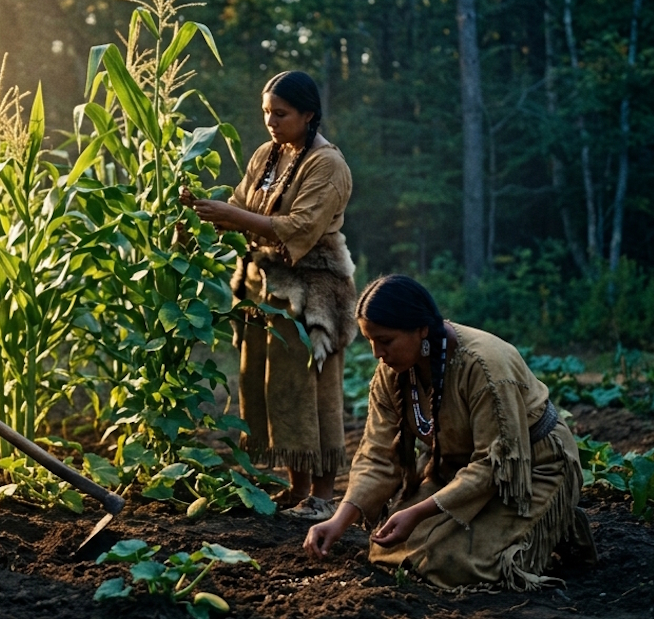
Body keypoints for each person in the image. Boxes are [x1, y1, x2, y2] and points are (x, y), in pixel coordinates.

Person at [304, 275, 597, 591]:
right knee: (390, 551)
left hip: (526, 470)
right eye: (370, 340)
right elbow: (377, 455)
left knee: (456, 565)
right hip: (454, 470)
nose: (377, 353)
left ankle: (557, 520)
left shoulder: (485, 365)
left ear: (421, 330)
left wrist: (417, 512)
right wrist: (339, 521)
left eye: (385, 341)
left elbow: (493, 464)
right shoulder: (393, 372)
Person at [181, 71, 357, 520]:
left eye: (281, 114)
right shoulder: (268, 155)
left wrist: (231, 215)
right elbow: (241, 206)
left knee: (313, 391)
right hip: (265, 287)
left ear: (308, 114)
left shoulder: (327, 165)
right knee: (275, 387)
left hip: (311, 290)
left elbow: (301, 227)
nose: (271, 122)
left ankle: (323, 495)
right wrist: (202, 210)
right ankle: (297, 489)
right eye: (266, 113)